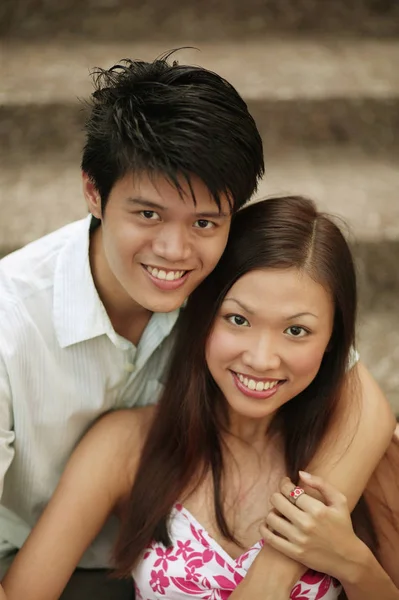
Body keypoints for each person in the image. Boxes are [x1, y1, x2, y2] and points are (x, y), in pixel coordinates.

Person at [1, 196, 397, 600]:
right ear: (202, 314)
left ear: (334, 341)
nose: (261, 358)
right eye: (237, 319)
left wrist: (352, 561)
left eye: (296, 331)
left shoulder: (354, 453)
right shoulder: (127, 446)